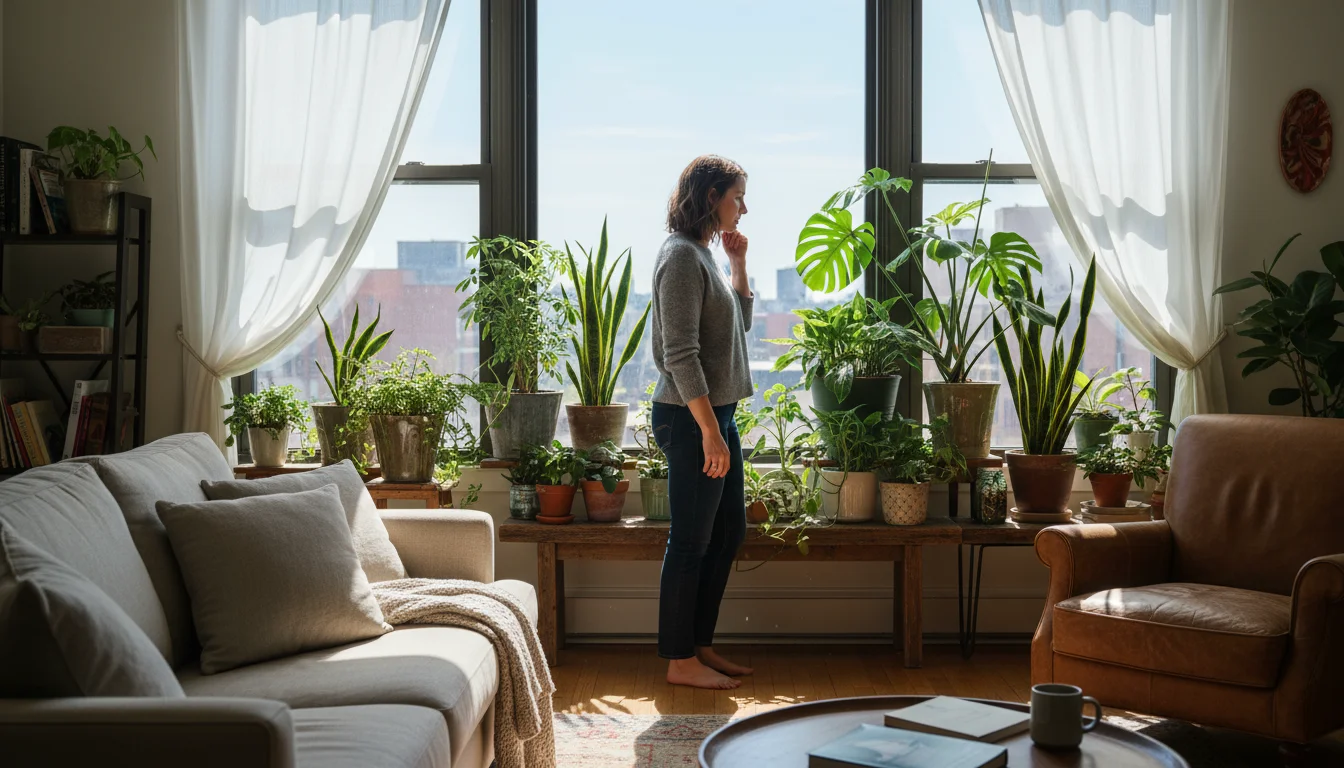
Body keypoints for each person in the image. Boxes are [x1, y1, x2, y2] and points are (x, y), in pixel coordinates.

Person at [650, 155, 755, 690]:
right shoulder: (681, 258)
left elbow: (733, 337)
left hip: (717, 417)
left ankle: (699, 644)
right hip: (691, 420)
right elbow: (680, 354)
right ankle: (678, 659)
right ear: (711, 195)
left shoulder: (705, 258)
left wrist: (738, 269)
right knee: (690, 540)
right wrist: (710, 432)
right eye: (737, 195)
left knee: (728, 531)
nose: (743, 205)